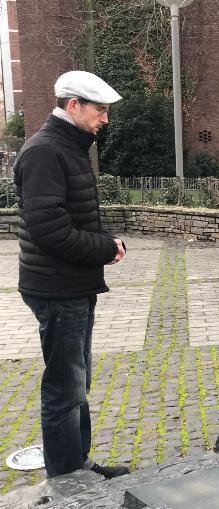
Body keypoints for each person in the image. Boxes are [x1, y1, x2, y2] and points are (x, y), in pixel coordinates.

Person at [13, 71, 129, 478]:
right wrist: (102, 247)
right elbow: (49, 230)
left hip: (70, 285)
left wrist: (104, 240)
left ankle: (79, 464)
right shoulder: (45, 150)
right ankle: (67, 479)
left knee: (76, 382)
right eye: (100, 110)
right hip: (57, 288)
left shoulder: (67, 146)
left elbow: (69, 215)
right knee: (65, 388)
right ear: (73, 105)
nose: (105, 120)